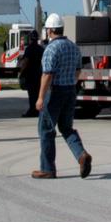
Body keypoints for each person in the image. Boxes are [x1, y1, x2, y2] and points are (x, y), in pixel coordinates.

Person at [32, 13, 91, 180]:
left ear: (50, 30)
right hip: (70, 91)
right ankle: (81, 155)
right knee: (66, 128)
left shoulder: (51, 48)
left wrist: (41, 97)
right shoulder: (73, 47)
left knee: (46, 130)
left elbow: (47, 75)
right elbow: (78, 71)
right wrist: (70, 84)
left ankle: (47, 169)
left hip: (55, 92)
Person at [18, 31, 44, 117]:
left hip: (30, 75)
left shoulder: (29, 49)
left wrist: (21, 71)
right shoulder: (41, 49)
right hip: (39, 74)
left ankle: (33, 110)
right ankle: (37, 110)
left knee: (32, 94)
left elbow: (25, 62)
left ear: (30, 39)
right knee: (37, 93)